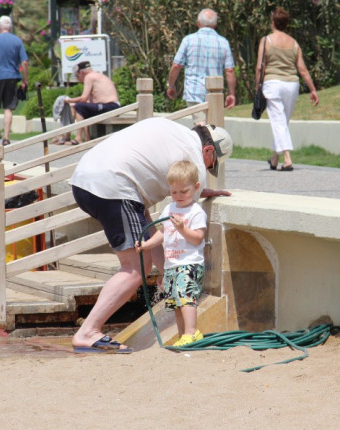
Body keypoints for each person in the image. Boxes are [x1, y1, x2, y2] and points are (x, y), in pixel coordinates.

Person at [69, 117, 233, 353]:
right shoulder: (194, 159)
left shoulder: (173, 130)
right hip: (114, 184)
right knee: (136, 267)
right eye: (211, 164)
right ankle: (88, 331)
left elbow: (149, 223)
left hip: (83, 181)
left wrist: (166, 271)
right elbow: (179, 225)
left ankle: (89, 330)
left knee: (142, 226)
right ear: (208, 151)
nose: (206, 170)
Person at [135, 160, 207, 347]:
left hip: (189, 263)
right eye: (174, 192)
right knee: (176, 302)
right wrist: (147, 245)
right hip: (172, 265)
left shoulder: (196, 211)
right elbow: (163, 232)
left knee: (186, 298)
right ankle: (182, 335)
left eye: (184, 191)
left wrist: (183, 229)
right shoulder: (169, 209)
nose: (179, 196)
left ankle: (192, 332)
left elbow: (197, 238)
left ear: (196, 187)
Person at [256, 7, 319, 172]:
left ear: (273, 23)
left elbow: (260, 67)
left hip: (273, 84)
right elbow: (302, 69)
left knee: (278, 121)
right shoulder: (294, 43)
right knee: (282, 122)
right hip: (291, 85)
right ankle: (274, 158)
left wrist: (257, 87)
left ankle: (287, 158)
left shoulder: (266, 40)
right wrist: (312, 89)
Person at [167, 8, 237, 125]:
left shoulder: (188, 40)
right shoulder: (223, 42)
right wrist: (231, 94)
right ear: (215, 25)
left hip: (194, 91)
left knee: (201, 125)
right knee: (213, 125)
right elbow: (229, 70)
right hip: (215, 93)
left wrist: (171, 86)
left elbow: (176, 65)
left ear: (198, 23)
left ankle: (203, 135)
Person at [0, 15, 29, 146]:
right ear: (11, 27)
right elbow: (24, 62)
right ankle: (6, 137)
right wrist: (25, 79)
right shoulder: (17, 41)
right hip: (12, 77)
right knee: (9, 107)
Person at [63, 61, 120, 145]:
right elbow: (87, 101)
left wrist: (68, 100)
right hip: (109, 106)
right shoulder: (98, 75)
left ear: (81, 72)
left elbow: (83, 98)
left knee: (79, 106)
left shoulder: (89, 77)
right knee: (78, 107)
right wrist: (73, 104)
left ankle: (78, 138)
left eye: (77, 76)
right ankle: (78, 137)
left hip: (110, 106)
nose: (78, 79)